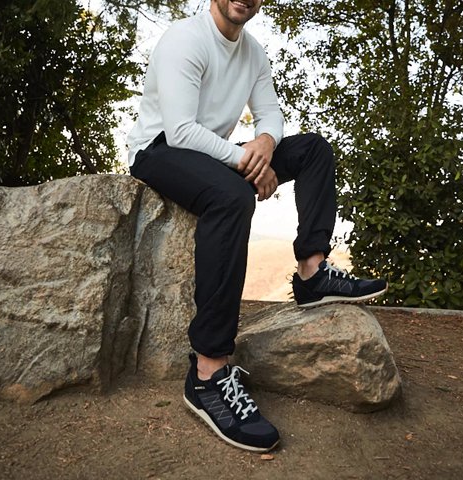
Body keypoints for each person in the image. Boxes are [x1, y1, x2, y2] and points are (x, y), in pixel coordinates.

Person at [126, 0, 387, 452]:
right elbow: (181, 130)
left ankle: (312, 272)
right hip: (160, 149)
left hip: (212, 155)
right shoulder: (185, 39)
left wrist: (265, 142)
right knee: (233, 197)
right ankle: (208, 373)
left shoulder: (253, 52)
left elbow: (271, 115)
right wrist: (248, 164)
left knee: (313, 149)